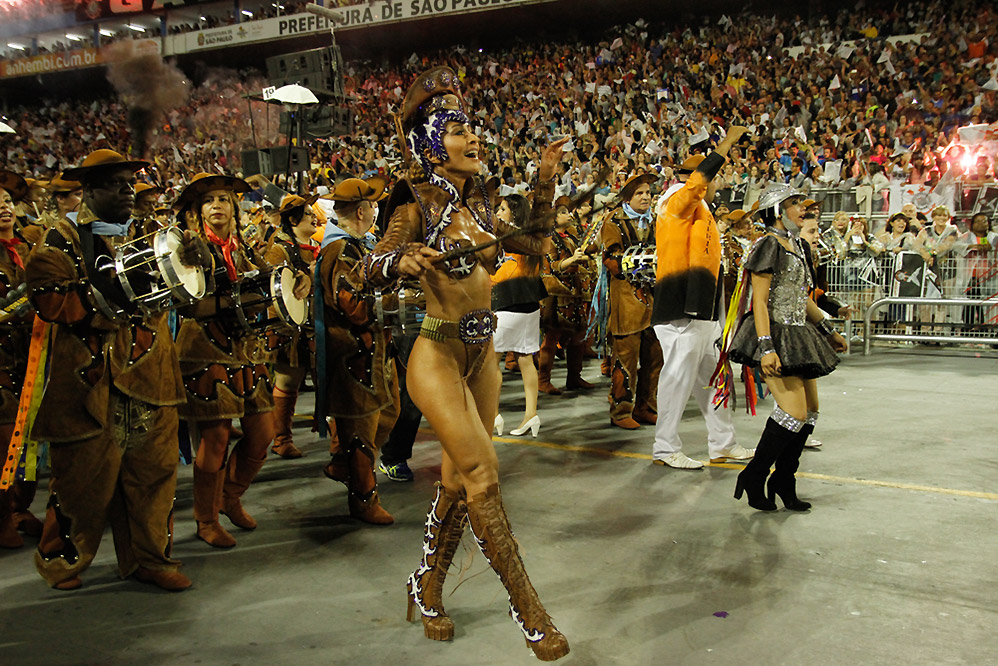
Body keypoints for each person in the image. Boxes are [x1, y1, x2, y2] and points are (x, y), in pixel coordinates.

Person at [365, 66, 570, 661]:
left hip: (483, 355)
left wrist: (545, 184)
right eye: (456, 130)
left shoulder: (479, 207)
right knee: (483, 476)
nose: (473, 138)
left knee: (458, 480)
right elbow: (366, 270)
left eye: (472, 128)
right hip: (436, 351)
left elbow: (535, 244)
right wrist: (399, 261)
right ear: (430, 142)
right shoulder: (413, 203)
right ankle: (531, 615)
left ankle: (425, 588)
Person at [25, 150, 210, 591]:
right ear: (88, 190)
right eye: (116, 185)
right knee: (81, 484)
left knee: (155, 477)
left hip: (153, 380)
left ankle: (150, 559)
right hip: (91, 385)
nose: (128, 192)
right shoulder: (59, 239)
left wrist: (196, 257)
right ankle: (62, 561)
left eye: (131, 184)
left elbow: (190, 290)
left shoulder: (152, 233)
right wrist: (107, 291)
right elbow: (52, 302)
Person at [174, 173, 305, 548]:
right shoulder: (189, 247)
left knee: (262, 434)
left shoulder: (244, 247)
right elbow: (189, 302)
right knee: (214, 438)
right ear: (199, 211)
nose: (218, 205)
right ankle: (206, 519)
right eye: (209, 200)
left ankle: (229, 497)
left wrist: (299, 282)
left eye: (224, 199)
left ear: (234, 208)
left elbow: (272, 282)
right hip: (204, 347)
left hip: (247, 350)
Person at [727, 184, 847, 511]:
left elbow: (801, 298)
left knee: (809, 412)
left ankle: (784, 479)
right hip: (774, 334)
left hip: (799, 333)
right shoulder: (768, 245)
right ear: (778, 211)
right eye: (795, 204)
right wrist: (766, 348)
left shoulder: (798, 245)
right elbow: (761, 303)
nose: (802, 210)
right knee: (792, 412)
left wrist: (827, 329)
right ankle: (754, 475)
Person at [651, 127, 755, 469]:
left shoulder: (700, 208)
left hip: (702, 308)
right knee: (678, 376)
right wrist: (724, 146)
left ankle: (722, 443)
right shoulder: (676, 199)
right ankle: (665, 448)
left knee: (713, 377)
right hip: (681, 304)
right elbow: (696, 185)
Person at [315, 176, 398, 524]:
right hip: (354, 355)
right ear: (363, 210)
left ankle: (342, 465)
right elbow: (352, 304)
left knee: (388, 414)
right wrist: (396, 301)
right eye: (374, 205)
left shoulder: (360, 244)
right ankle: (363, 500)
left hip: (373, 350)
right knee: (363, 430)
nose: (376, 211)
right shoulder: (341, 249)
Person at [0, 170, 43, 549]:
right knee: (3, 442)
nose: (3, 206)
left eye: (8, 200)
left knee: (30, 441)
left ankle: (19, 506)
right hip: (1, 362)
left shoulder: (29, 249)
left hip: (32, 355)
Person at [600, 172, 662, 429]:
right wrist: (651, 260)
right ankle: (620, 411)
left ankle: (646, 407)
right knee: (625, 357)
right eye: (640, 193)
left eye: (648, 192)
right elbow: (612, 260)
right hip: (626, 300)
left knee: (655, 357)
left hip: (654, 300)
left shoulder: (657, 221)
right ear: (628, 197)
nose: (646, 197)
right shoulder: (614, 221)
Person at [264, 193, 320, 460]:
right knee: (288, 380)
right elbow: (276, 288)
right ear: (294, 219)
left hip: (317, 323)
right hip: (289, 327)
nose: (314, 218)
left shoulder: (318, 246)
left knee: (326, 380)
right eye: (308, 214)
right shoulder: (279, 248)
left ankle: (334, 437)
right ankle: (281, 438)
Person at [492, 193, 547, 437]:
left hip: (508, 303)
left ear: (513, 212)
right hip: (530, 305)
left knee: (492, 362)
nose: (498, 212)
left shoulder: (511, 237)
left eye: (502, 208)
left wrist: (486, 279)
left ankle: (492, 415)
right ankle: (530, 415)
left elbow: (508, 270)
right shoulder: (531, 236)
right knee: (526, 359)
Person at [537, 200, 595, 394]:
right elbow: (552, 266)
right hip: (555, 294)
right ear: (555, 218)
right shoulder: (548, 240)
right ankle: (543, 380)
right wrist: (572, 260)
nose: (569, 215)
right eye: (564, 213)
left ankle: (574, 378)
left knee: (578, 335)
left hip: (574, 292)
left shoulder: (569, 237)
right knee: (552, 337)